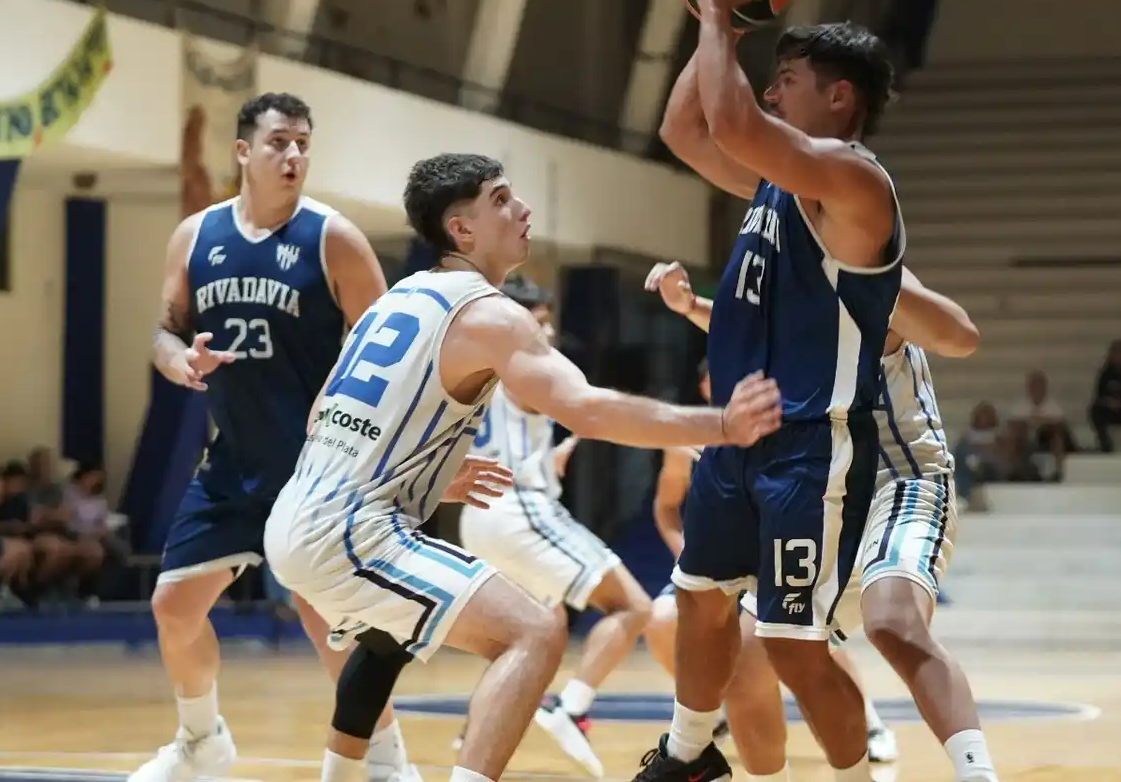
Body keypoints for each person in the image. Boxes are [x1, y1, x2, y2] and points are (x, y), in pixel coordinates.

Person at [263, 153, 783, 782]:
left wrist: (417, 471)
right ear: (461, 229)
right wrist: (722, 425)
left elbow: (324, 412)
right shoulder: (489, 313)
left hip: (297, 514)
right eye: (502, 199)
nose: (523, 209)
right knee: (533, 633)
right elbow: (587, 410)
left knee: (383, 641)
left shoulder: (394, 300)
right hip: (350, 532)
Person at [638, 0, 904, 779]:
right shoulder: (778, 184)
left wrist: (722, 12)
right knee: (698, 598)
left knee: (793, 647)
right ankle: (688, 754)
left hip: (809, 447)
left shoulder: (854, 182)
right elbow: (685, 130)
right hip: (736, 435)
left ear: (839, 97)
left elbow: (732, 124)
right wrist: (716, 18)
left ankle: (857, 776)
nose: (771, 91)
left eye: (787, 80)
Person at [132, 92, 419, 782]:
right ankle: (201, 741)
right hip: (233, 462)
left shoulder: (333, 238)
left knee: (323, 623)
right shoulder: (195, 236)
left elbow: (393, 352)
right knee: (173, 607)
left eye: (302, 145)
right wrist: (180, 360)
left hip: (315, 469)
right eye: (279, 142)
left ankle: (387, 760)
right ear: (243, 152)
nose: (293, 155)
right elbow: (164, 331)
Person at [648, 262, 1001, 782]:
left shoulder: (865, 267)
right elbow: (759, 328)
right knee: (748, 658)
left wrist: (874, 282)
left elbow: (961, 335)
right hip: (824, 491)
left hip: (900, 480)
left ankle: (976, 772)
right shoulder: (784, 275)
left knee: (891, 621)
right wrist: (691, 306)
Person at [643, 360, 898, 764]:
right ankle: (721, 709)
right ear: (705, 386)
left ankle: (869, 723)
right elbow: (666, 506)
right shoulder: (688, 440)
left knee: (810, 640)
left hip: (776, 555)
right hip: (719, 561)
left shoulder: (784, 423)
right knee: (661, 620)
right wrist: (684, 551)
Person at [452, 275, 655, 777]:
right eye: (538, 322)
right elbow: (591, 409)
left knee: (537, 630)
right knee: (633, 606)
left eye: (549, 323)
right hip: (518, 509)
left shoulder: (471, 367)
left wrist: (547, 457)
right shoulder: (524, 365)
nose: (547, 333)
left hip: (478, 512)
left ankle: (472, 736)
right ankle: (573, 708)